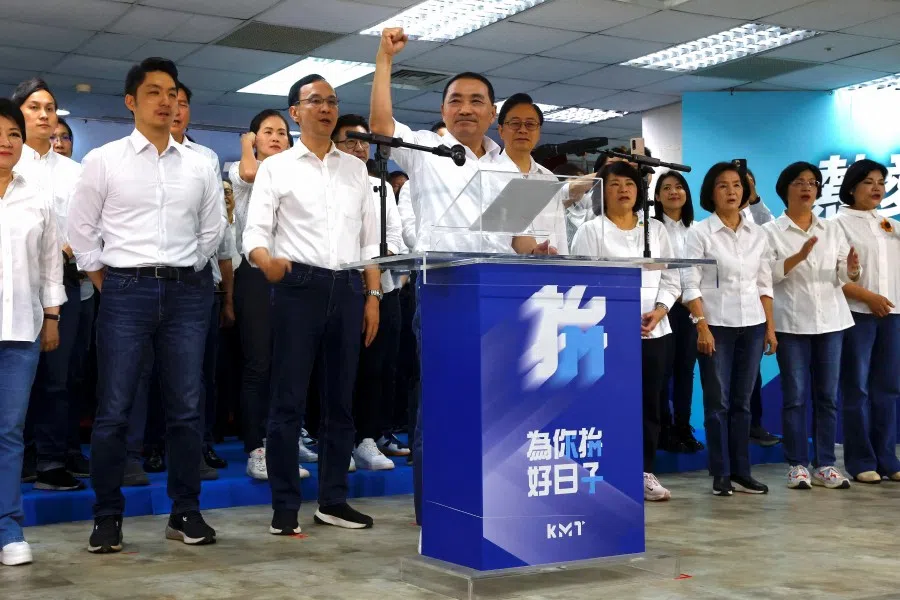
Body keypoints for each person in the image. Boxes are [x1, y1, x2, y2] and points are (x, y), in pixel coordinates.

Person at [369, 27, 555, 527]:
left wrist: (535, 248)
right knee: (442, 402)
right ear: (445, 109)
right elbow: (382, 124)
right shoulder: (426, 149)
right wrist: (384, 60)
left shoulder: (505, 165)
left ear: (491, 112)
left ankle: (490, 499)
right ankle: (435, 507)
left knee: (495, 402)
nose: (466, 108)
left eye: (477, 101)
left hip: (497, 290)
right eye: (456, 101)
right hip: (445, 287)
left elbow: (511, 235)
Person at [68, 57, 224, 553]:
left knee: (186, 408)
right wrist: (109, 278)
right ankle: (108, 517)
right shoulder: (104, 160)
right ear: (132, 101)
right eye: (154, 92)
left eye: (172, 92)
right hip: (125, 291)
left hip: (187, 292)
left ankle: (185, 512)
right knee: (114, 409)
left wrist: (182, 269)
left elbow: (212, 230)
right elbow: (81, 230)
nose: (166, 100)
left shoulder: (200, 162)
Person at [243, 73, 382, 534]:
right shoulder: (276, 167)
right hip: (297, 286)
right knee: (288, 402)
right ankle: (285, 507)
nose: (325, 108)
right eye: (315, 101)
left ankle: (333, 500)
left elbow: (369, 241)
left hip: (347, 289)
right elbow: (255, 234)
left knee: (340, 403)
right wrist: (266, 261)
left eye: (332, 101)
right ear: (295, 112)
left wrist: (373, 295)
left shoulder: (356, 169)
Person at [572, 161, 679, 501]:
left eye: (629, 183)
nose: (623, 189)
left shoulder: (655, 230)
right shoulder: (591, 230)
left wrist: (659, 311)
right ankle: (609, 471)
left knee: (650, 406)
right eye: (614, 184)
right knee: (611, 404)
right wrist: (618, 317)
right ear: (602, 192)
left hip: (654, 331)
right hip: (608, 333)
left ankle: (645, 471)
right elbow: (583, 286)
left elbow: (671, 278)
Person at [682, 162, 776, 497]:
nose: (731, 192)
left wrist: (770, 329)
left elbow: (765, 283)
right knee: (717, 403)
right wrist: (701, 327)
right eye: (723, 186)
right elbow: (689, 284)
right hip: (716, 326)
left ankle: (742, 472)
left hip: (751, 325)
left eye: (736, 185)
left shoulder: (758, 234)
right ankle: (721, 472)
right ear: (711, 193)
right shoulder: (699, 233)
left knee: (743, 403)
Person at [763, 162, 857, 490]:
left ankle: (826, 464)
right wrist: (799, 256)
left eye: (813, 183)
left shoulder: (831, 229)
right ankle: (797, 464)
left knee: (828, 396)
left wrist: (854, 270)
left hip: (831, 321)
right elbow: (768, 275)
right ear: (785, 188)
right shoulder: (771, 232)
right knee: (796, 396)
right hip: (792, 323)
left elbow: (844, 273)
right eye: (800, 182)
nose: (808, 187)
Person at [0, 98, 66, 567]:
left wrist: (52, 317)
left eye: (13, 135)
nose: (6, 142)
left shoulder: (37, 196)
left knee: (9, 432)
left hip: (21, 330)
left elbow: (48, 266)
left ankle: (8, 527)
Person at [12, 77, 85, 492]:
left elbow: (87, 226)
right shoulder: (8, 164)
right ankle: (19, 457)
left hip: (64, 280)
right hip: (16, 280)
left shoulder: (75, 172)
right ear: (18, 115)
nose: (43, 115)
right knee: (17, 371)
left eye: (50, 108)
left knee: (58, 376)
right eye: (34, 107)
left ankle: (52, 461)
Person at [332, 114, 408, 469]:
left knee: (378, 368)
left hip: (383, 288)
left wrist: (376, 265)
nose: (359, 148)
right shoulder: (329, 186)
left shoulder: (381, 188)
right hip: (342, 288)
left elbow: (393, 237)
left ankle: (368, 437)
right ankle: (337, 440)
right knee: (341, 368)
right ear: (334, 145)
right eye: (350, 141)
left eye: (364, 141)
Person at [228, 108, 295, 480]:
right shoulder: (241, 172)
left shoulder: (295, 175)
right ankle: (256, 447)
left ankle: (282, 439)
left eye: (282, 132)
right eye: (267, 131)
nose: (276, 137)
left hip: (293, 276)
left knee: (289, 364)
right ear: (253, 139)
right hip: (254, 276)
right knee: (258, 364)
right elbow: (252, 171)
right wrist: (245, 144)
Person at [834, 159, 900, 484]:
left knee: (887, 388)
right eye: (868, 182)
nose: (876, 188)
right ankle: (860, 460)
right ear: (851, 186)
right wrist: (867, 297)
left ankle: (888, 457)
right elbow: (835, 275)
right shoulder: (839, 223)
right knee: (856, 389)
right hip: (857, 314)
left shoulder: (889, 223)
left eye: (881, 182)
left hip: (892, 314)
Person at [652, 171, 704, 454]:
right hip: (662, 309)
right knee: (662, 373)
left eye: (679, 186)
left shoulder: (697, 228)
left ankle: (683, 427)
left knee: (686, 371)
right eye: (667, 188)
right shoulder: (651, 228)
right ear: (657, 196)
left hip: (691, 312)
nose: (674, 192)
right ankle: (663, 429)